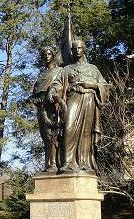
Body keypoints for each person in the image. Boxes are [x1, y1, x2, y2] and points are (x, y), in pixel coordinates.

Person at [48, 39, 109, 172]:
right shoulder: (67, 69)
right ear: (71, 51)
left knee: (86, 132)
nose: (77, 50)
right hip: (73, 98)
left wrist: (92, 85)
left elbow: (105, 86)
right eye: (74, 48)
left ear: (84, 49)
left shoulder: (93, 69)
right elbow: (58, 84)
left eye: (80, 48)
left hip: (89, 100)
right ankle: (68, 162)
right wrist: (53, 91)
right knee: (69, 128)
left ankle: (83, 162)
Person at [30, 46, 63, 172]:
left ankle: (54, 163)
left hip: (53, 107)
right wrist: (35, 99)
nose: (47, 56)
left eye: (49, 54)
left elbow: (62, 87)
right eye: (44, 55)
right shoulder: (41, 74)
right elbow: (35, 92)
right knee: (45, 136)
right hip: (41, 109)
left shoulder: (60, 71)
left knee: (53, 135)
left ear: (53, 55)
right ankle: (48, 163)